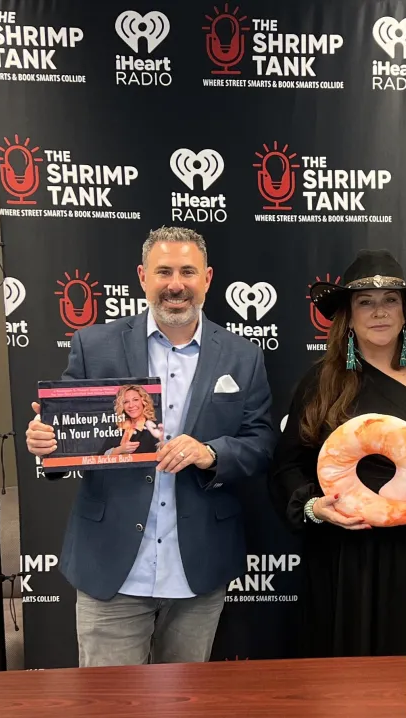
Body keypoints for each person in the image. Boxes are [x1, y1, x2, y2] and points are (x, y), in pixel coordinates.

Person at [25, 226, 276, 667]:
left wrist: (211, 453)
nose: (175, 284)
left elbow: (261, 442)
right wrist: (46, 442)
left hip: (198, 569)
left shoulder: (242, 355)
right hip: (112, 568)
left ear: (207, 278)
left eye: (187, 272)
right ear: (143, 277)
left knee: (186, 717)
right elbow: (64, 434)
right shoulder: (94, 344)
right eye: (163, 272)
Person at [271, 250, 406, 657]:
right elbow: (286, 467)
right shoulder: (321, 382)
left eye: (390, 301)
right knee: (349, 683)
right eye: (365, 302)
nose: (379, 312)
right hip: (345, 549)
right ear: (348, 315)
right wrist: (316, 508)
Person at [105, 385, 162, 456]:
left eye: (135, 400)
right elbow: (99, 457)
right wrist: (118, 450)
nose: (131, 405)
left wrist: (162, 444)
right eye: (126, 402)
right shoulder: (117, 428)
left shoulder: (153, 427)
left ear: (143, 402)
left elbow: (161, 457)